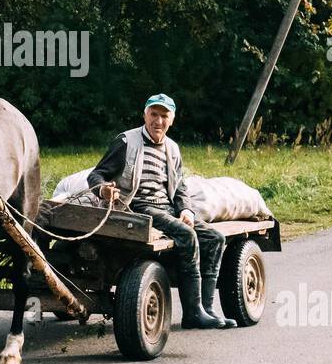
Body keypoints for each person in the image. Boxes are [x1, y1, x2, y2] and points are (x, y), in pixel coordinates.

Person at [86, 94, 235, 330]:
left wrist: (186, 210)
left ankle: (207, 309)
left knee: (216, 238)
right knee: (186, 235)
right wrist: (103, 189)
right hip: (139, 207)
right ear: (145, 115)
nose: (158, 121)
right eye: (153, 114)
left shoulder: (173, 149)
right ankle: (193, 313)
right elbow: (96, 175)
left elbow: (180, 189)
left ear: (171, 120)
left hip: (166, 208)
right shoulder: (126, 142)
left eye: (164, 116)